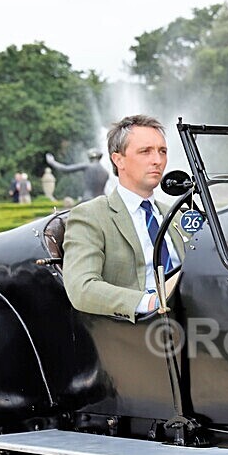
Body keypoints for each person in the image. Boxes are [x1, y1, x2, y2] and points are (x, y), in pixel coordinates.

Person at [62, 114, 186, 321]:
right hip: (143, 330)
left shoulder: (177, 214)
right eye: (145, 151)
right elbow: (81, 289)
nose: (157, 160)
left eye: (162, 151)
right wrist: (153, 302)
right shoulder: (90, 216)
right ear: (118, 160)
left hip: (197, 320)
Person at [46, 148, 111, 200]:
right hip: (102, 200)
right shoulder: (105, 172)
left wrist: (52, 162)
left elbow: (65, 169)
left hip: (88, 199)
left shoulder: (87, 166)